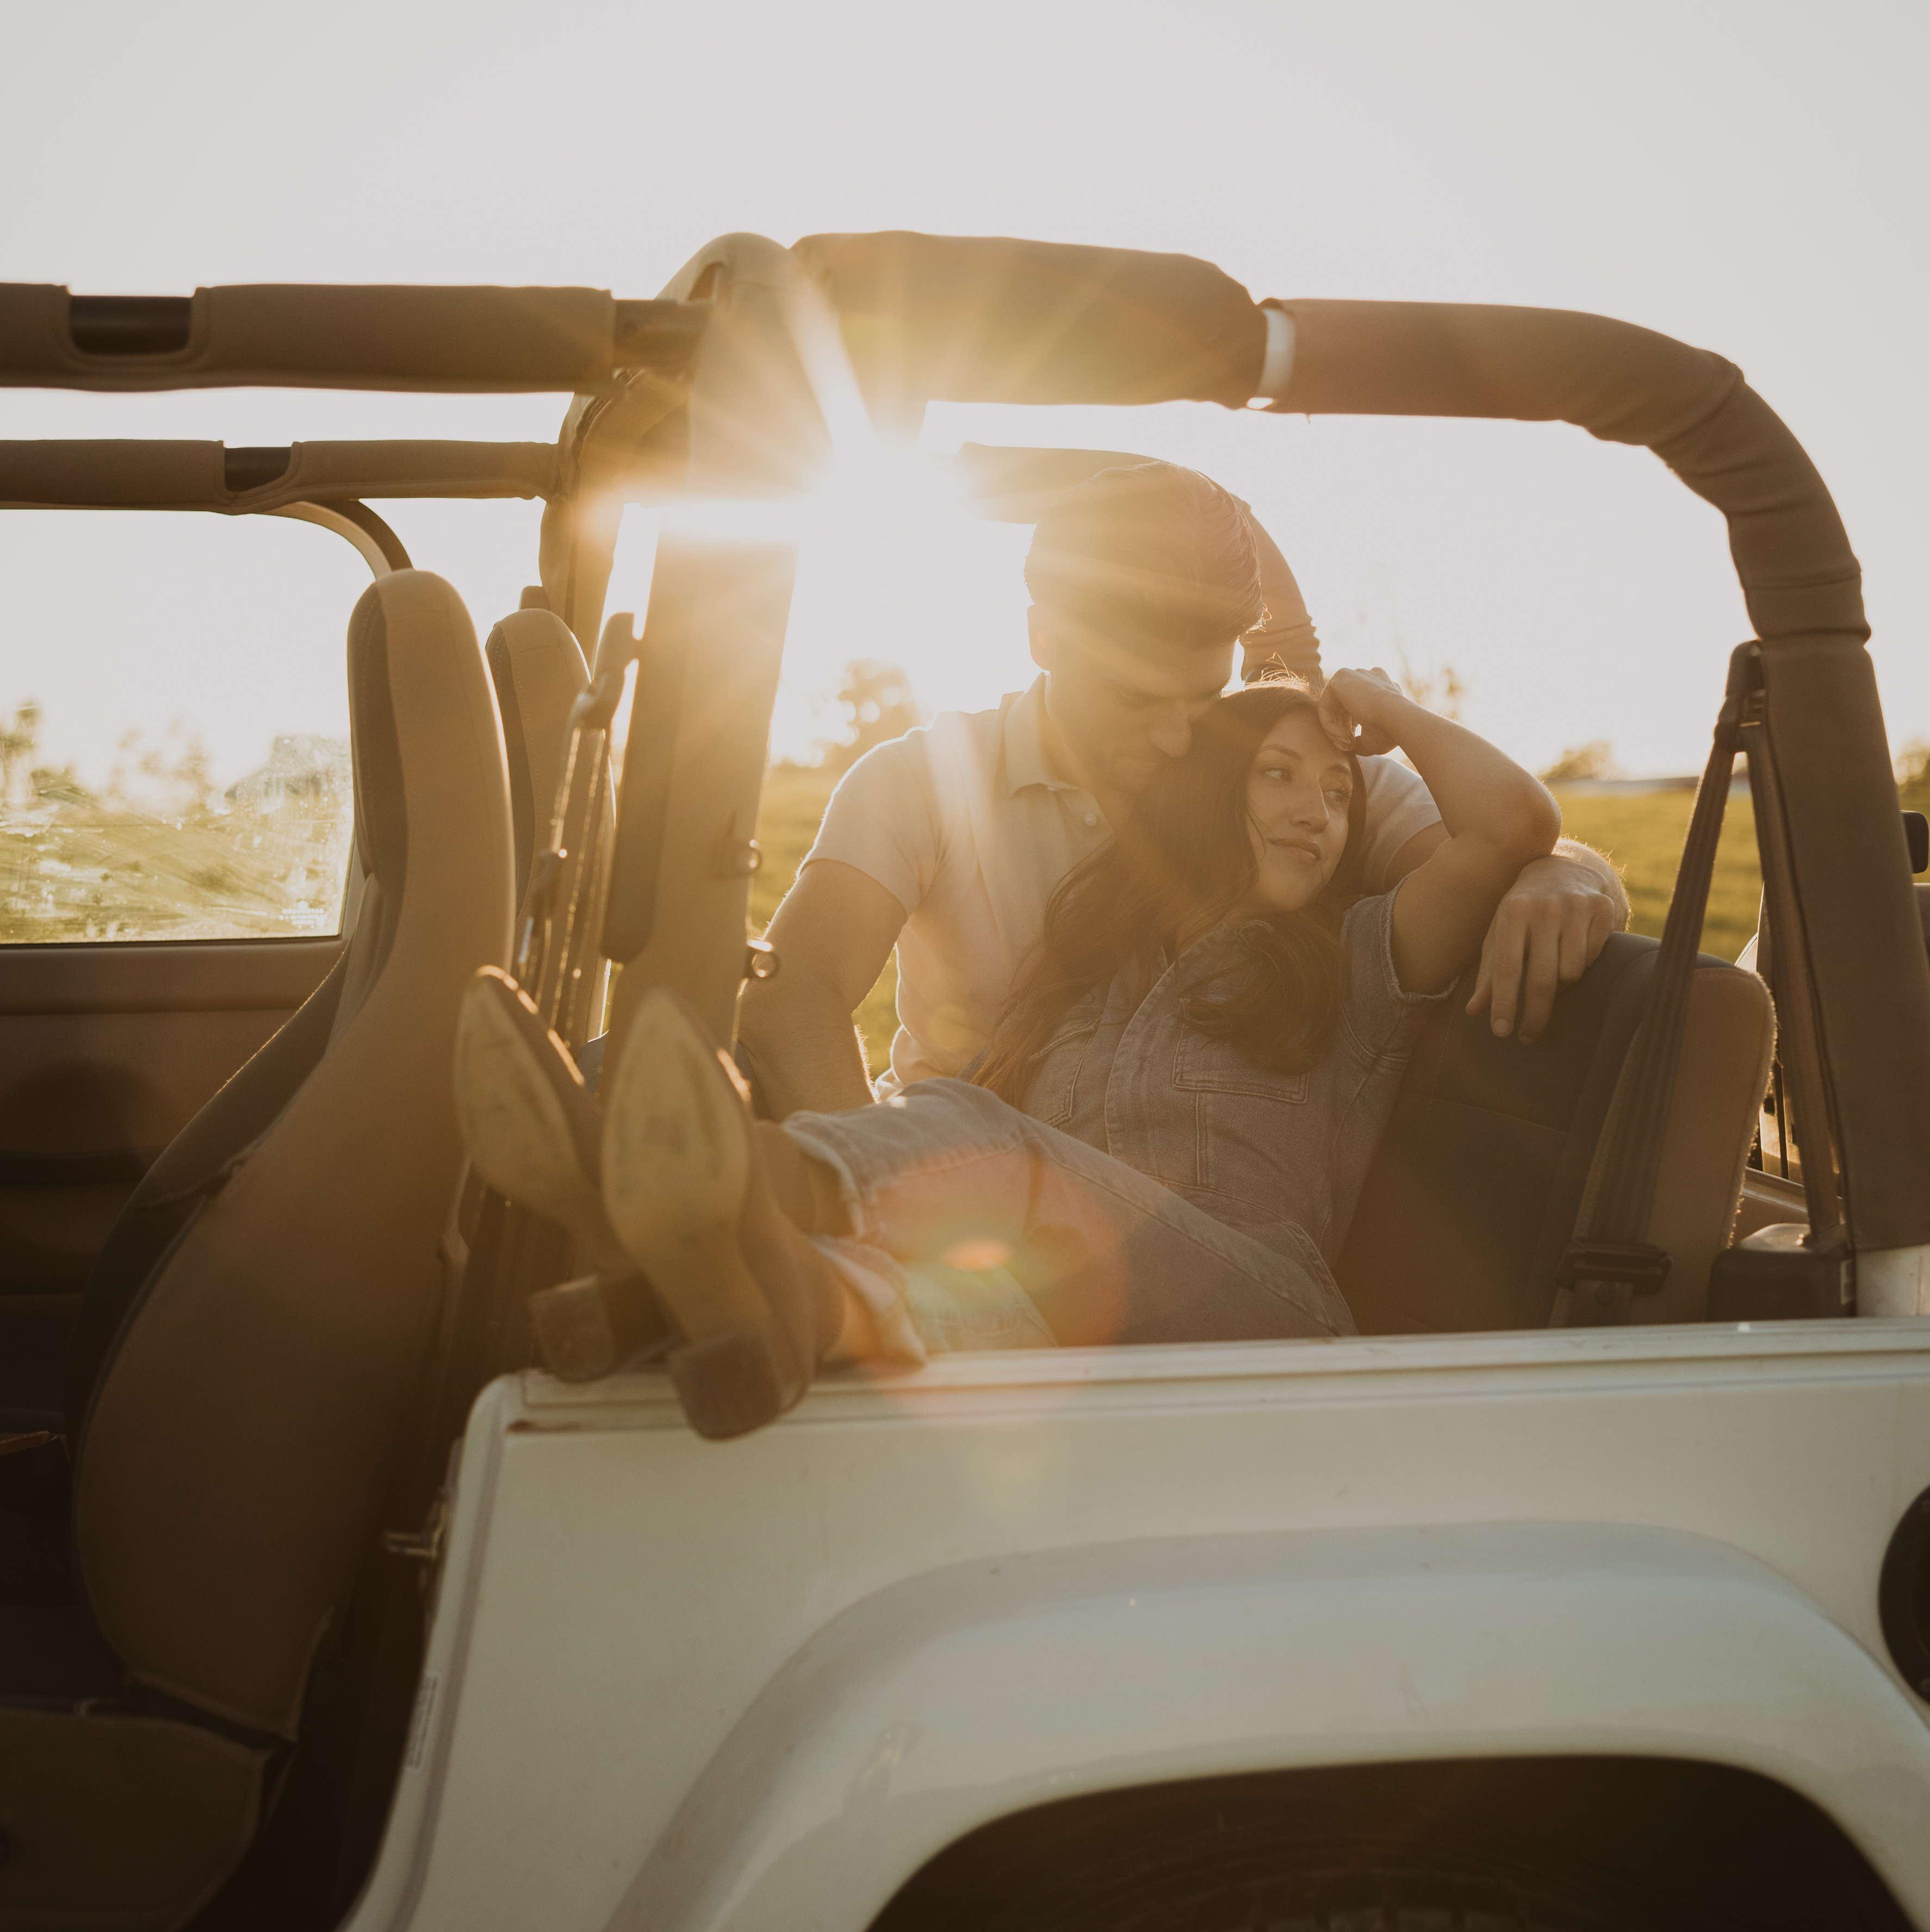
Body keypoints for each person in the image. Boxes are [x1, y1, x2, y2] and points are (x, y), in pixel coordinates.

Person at [457, 664, 1557, 1439]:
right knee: (919, 1292)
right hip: (1085, 1320)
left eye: (1335, 794)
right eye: (1277, 773)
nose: (1315, 811)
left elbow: (1510, 825)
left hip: (1262, 1319)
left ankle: (683, 1175)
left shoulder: (1358, 959)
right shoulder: (1092, 971)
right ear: (1209, 788)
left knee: (985, 1139)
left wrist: (1382, 706)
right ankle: (755, 1293)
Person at [738, 461, 1627, 1120]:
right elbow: (795, 987)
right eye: (1134, 699)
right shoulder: (920, 778)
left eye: (1201, 697)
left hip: (1185, 1194)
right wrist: (873, 1184)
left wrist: (1565, 872)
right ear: (1044, 639)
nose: (1175, 737)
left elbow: (1496, 840)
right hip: (952, 1185)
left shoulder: (1274, 769)